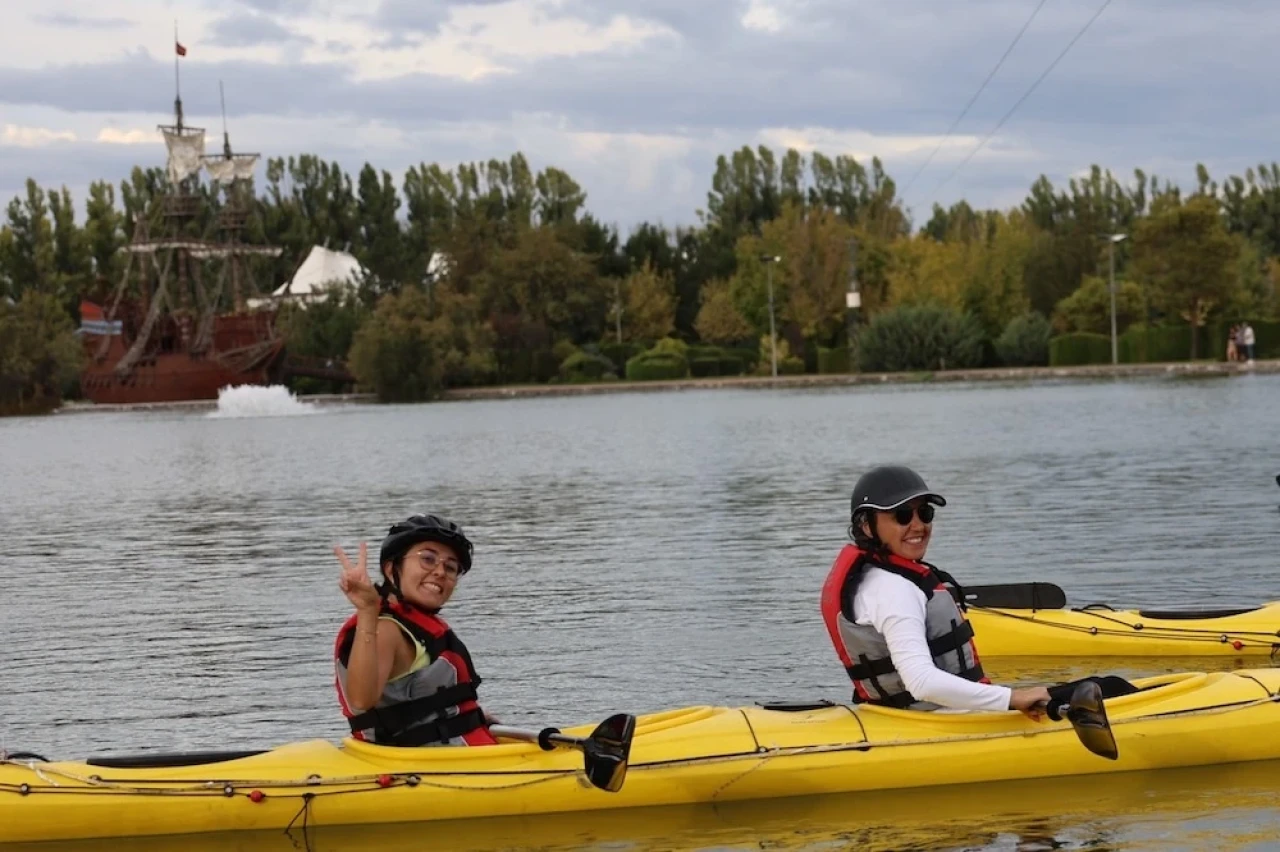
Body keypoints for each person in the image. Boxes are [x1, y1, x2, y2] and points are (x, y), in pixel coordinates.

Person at [821, 465, 1137, 719]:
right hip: (937, 720)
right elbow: (921, 682)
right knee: (1112, 688)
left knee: (1106, 685)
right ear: (866, 526)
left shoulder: (876, 578)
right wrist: (1013, 698)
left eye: (925, 513)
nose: (918, 525)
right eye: (902, 515)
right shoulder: (894, 590)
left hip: (900, 715)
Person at [333, 513, 498, 746]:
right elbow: (361, 699)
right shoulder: (386, 629)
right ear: (392, 569)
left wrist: (474, 718)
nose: (440, 572)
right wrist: (368, 611)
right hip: (426, 768)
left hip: (459, 756)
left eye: (450, 567)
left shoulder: (417, 628)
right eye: (428, 559)